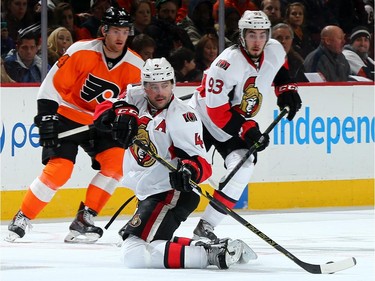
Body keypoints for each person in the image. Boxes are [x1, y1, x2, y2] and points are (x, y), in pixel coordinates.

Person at [94, 57, 253, 269]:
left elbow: (202, 162)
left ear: (173, 84)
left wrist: (189, 170)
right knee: (153, 243)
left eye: (165, 85)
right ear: (144, 86)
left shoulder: (183, 117)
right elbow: (102, 109)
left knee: (134, 254)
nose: (160, 92)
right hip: (149, 191)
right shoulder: (134, 96)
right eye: (153, 86)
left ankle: (213, 257)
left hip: (171, 192)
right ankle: (211, 249)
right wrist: (120, 112)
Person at [5, 7, 144, 243]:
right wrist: (47, 117)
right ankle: (23, 217)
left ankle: (84, 219)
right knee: (60, 169)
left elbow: (135, 103)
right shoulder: (81, 51)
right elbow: (51, 86)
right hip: (68, 114)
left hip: (102, 121)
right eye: (115, 31)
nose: (120, 37)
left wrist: (126, 119)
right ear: (104, 31)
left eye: (125, 31)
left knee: (116, 163)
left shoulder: (136, 65)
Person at [188, 10, 302, 242]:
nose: (258, 41)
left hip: (234, 122)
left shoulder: (274, 49)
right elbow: (217, 111)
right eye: (252, 35)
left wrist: (286, 88)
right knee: (183, 174)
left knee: (244, 165)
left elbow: (278, 68)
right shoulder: (226, 64)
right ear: (241, 35)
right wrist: (247, 128)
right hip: (202, 118)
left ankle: (207, 225)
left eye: (262, 35)